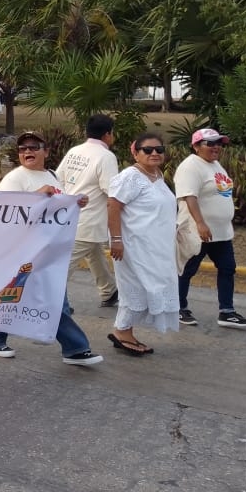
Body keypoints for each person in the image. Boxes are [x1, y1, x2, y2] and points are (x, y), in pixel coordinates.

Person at [0, 131, 103, 366]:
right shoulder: (15, 178)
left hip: (48, 252)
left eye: (34, 147)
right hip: (21, 252)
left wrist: (75, 203)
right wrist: (35, 196)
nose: (27, 152)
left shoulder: (52, 175)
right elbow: (4, 212)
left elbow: (55, 207)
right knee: (15, 297)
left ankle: (73, 348)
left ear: (46, 151)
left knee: (50, 298)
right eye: (23, 149)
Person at [106, 132, 180, 355]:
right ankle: (123, 332)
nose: (155, 153)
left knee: (152, 287)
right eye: (148, 150)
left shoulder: (157, 175)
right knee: (138, 288)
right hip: (134, 246)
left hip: (157, 247)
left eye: (159, 149)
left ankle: (123, 330)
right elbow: (113, 206)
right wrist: (116, 239)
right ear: (135, 153)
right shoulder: (130, 176)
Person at [174, 128, 246, 328]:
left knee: (227, 268)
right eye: (210, 143)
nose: (216, 147)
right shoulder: (190, 166)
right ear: (196, 146)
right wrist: (200, 223)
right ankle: (177, 307)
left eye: (219, 143)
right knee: (186, 270)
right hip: (198, 231)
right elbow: (189, 196)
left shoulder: (215, 165)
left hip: (221, 232)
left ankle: (227, 312)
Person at [57, 114, 119, 307]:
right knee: (64, 265)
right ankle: (46, 298)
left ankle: (109, 291)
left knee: (95, 254)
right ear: (108, 134)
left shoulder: (75, 151)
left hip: (70, 216)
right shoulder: (106, 156)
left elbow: (58, 179)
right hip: (88, 221)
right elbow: (112, 191)